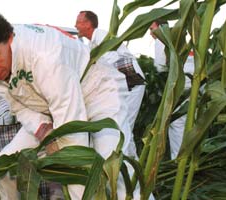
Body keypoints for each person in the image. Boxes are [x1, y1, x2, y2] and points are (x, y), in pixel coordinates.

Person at [0, 10, 133, 200]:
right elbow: (19, 106)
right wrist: (44, 129)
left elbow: (72, 136)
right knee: (5, 169)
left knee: (113, 167)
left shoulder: (45, 55)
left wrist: (66, 160)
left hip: (97, 93)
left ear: (9, 38)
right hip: (48, 108)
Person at [75, 10, 149, 200]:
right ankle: (133, 171)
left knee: (122, 130)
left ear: (89, 24)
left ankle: (130, 179)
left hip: (130, 84)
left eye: (79, 22)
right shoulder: (92, 42)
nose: (76, 26)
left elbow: (106, 64)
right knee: (124, 131)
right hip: (121, 84)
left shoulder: (102, 37)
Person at [149, 19, 195, 159]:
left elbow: (160, 68)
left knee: (177, 124)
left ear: (160, 28)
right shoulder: (183, 41)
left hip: (181, 86)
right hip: (196, 85)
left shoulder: (161, 40)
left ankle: (178, 161)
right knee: (192, 123)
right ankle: (192, 159)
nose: (150, 33)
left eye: (152, 29)